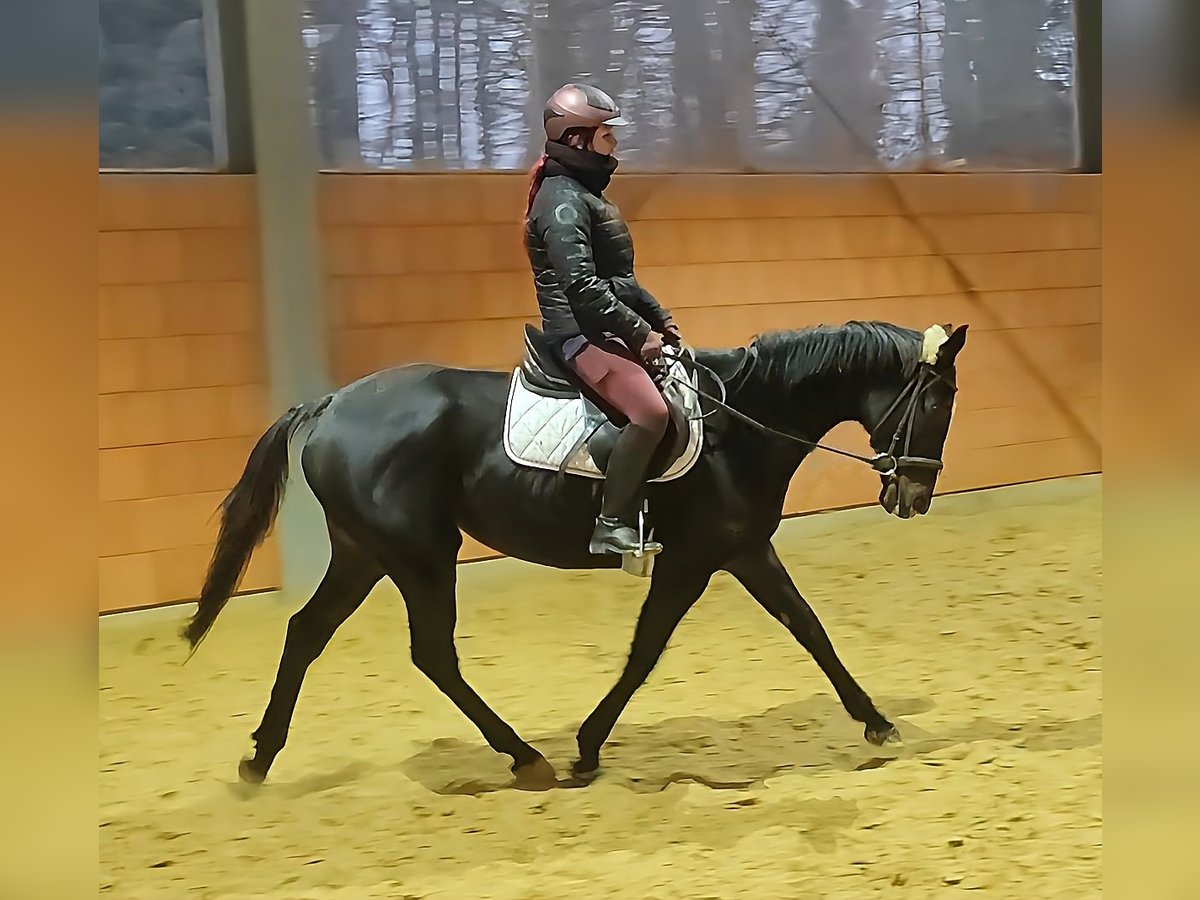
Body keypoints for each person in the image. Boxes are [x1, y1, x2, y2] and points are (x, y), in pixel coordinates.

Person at [524, 83, 684, 556]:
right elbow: (580, 287)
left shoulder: (585, 196)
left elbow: (622, 281)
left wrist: (662, 320)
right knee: (651, 413)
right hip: (577, 336)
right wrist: (639, 333)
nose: (613, 142)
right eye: (605, 134)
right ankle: (611, 523)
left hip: (603, 328)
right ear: (577, 139)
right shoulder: (561, 201)